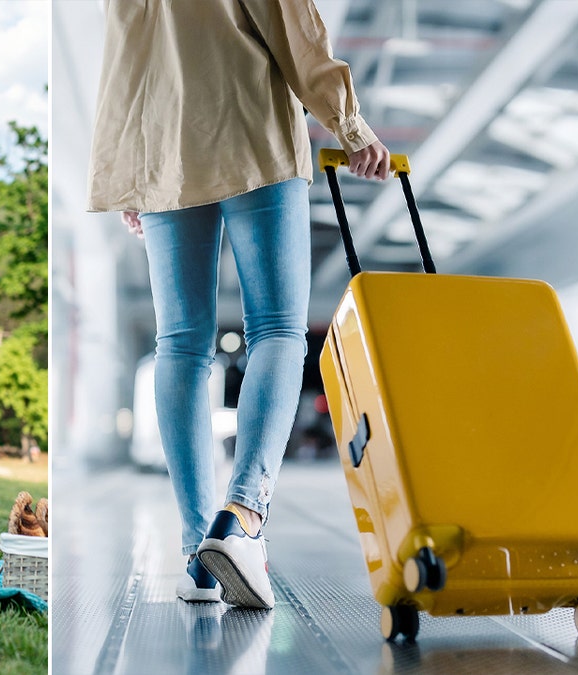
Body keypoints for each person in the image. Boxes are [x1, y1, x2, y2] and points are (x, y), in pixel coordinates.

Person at [87, 0, 390, 608]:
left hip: (160, 147)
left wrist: (129, 170)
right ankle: (244, 514)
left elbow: (126, 53)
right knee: (278, 328)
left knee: (179, 343)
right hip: (253, 131)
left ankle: (199, 555)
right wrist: (352, 127)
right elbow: (297, 33)